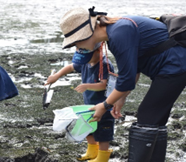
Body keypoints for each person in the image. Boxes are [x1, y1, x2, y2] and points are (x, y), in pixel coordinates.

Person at [59, 6, 186, 162]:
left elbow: (126, 79)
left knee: (147, 117)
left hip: (175, 66)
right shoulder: (114, 35)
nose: (77, 48)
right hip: (172, 67)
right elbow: (134, 69)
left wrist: (105, 105)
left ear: (86, 33)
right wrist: (120, 99)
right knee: (155, 120)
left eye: (75, 43)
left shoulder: (120, 32)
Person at [45, 42, 115, 162]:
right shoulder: (85, 62)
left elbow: (104, 85)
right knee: (87, 127)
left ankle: (102, 157)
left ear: (99, 51)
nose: (85, 61)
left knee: (104, 133)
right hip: (89, 104)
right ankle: (92, 151)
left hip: (104, 106)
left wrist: (87, 86)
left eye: (87, 58)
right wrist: (56, 76)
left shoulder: (104, 64)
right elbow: (71, 67)